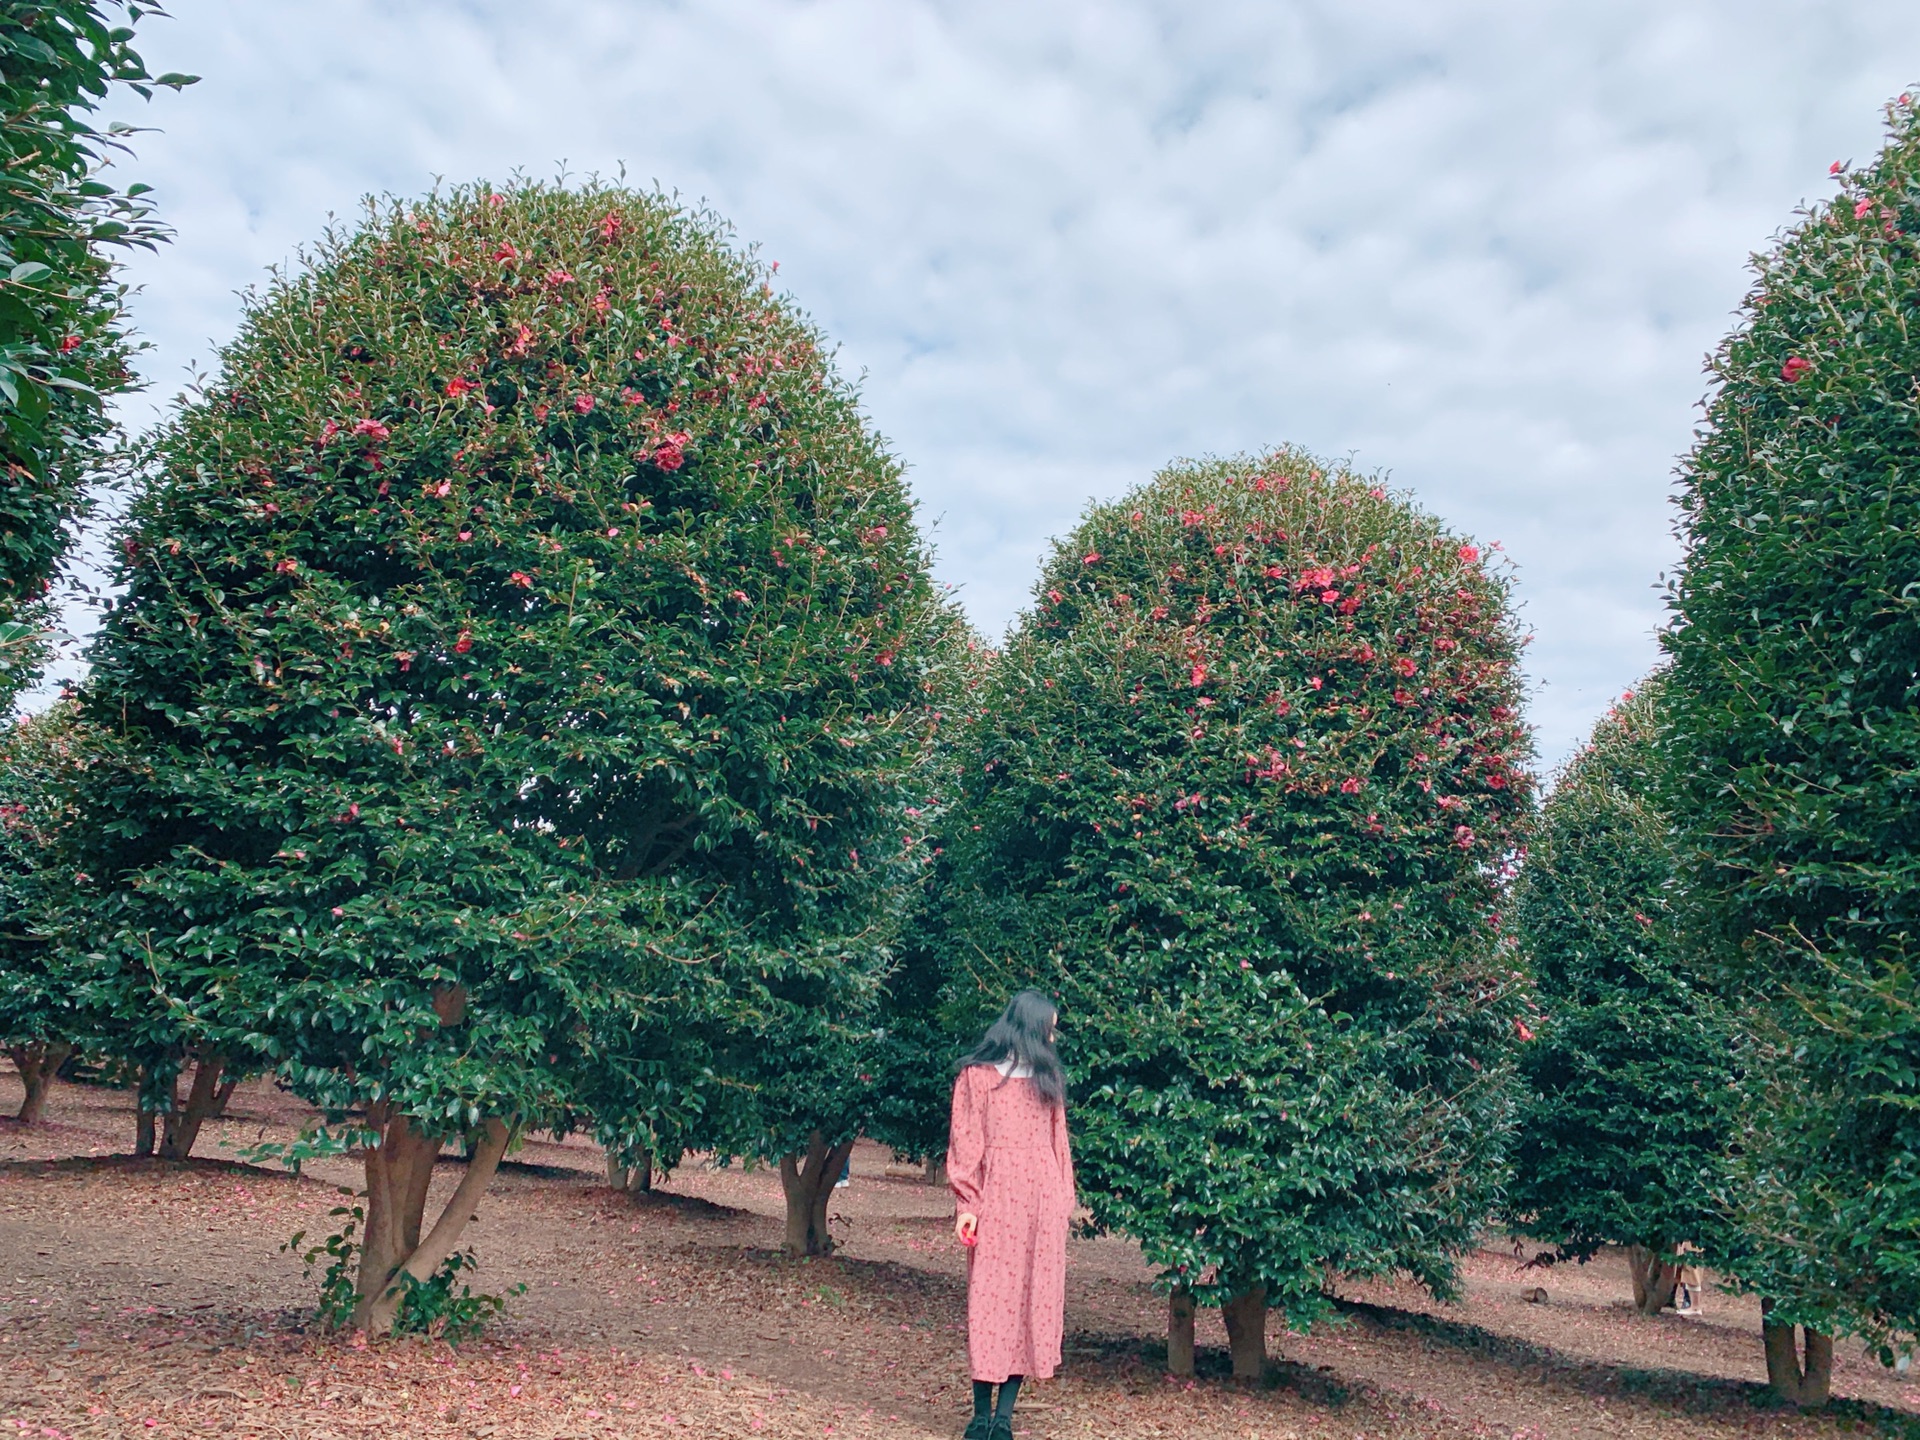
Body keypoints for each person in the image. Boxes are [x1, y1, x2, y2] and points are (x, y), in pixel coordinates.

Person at [948, 990, 1075, 1440]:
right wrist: (968, 1203)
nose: (1052, 1036)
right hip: (997, 1200)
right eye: (1049, 1027)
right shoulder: (977, 1077)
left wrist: (1063, 1201)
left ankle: (1004, 1419)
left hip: (1042, 1203)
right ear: (1030, 1026)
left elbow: (1059, 1145)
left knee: (1030, 1303)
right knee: (990, 1304)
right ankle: (980, 1416)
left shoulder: (1047, 1078)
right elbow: (966, 1143)